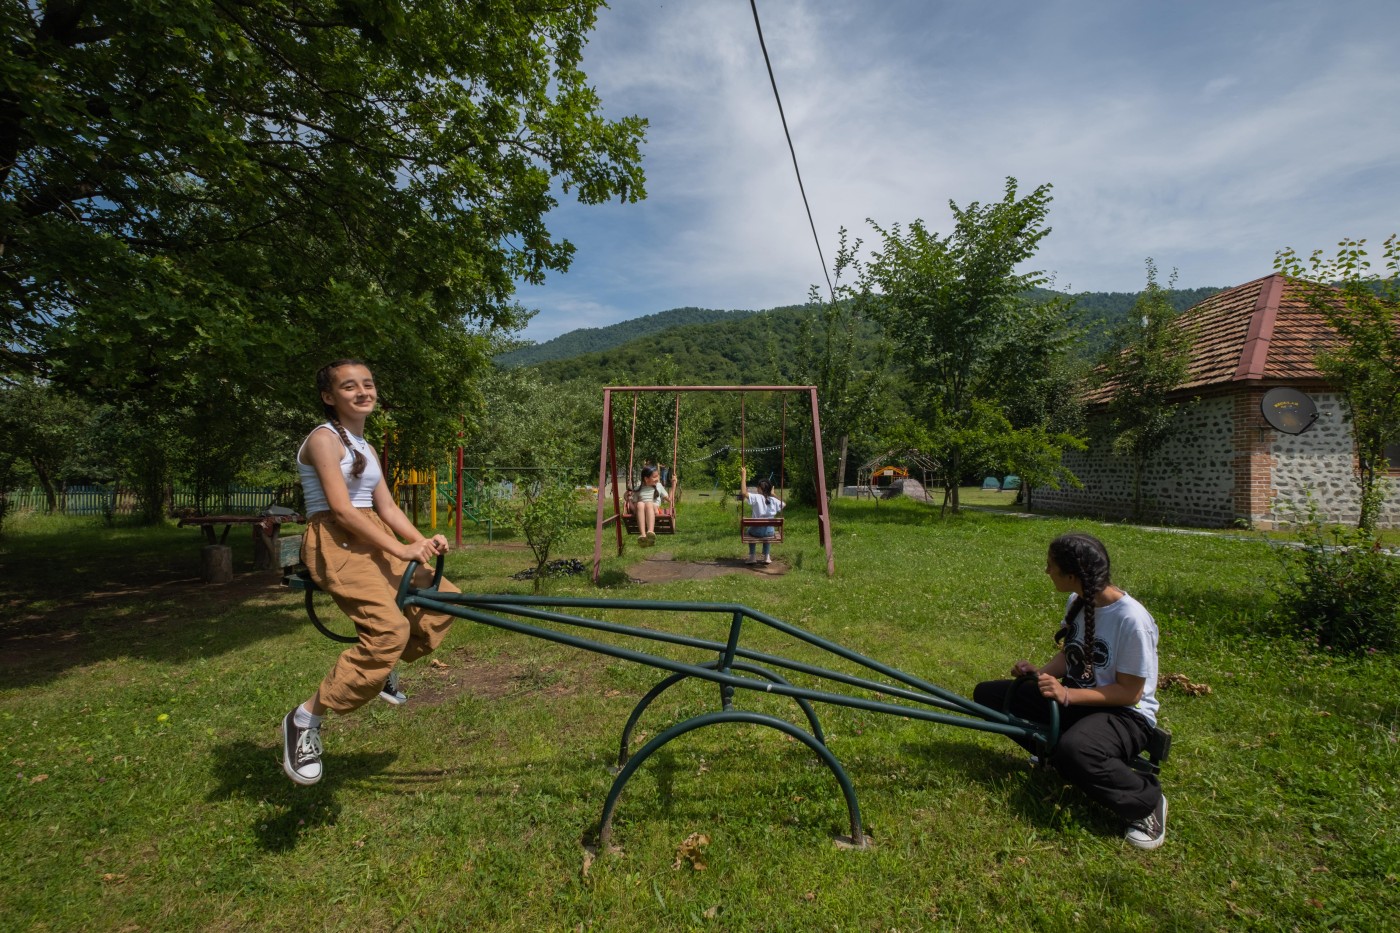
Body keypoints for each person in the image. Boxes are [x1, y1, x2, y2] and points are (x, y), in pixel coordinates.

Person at [280, 359, 461, 786]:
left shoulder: (366, 446)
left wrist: (422, 544)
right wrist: (399, 548)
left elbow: (388, 507)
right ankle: (305, 720)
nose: (363, 392)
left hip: (371, 532)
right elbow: (342, 509)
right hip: (337, 539)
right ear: (329, 397)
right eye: (349, 387)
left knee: (444, 599)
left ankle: (380, 670)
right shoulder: (324, 440)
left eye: (368, 384)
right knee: (388, 632)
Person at [972, 532, 1167, 850]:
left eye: (1051, 566)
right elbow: (1070, 654)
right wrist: (1040, 674)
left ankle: (1146, 802)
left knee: (1076, 750)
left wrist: (1066, 695)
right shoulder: (1077, 601)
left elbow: (1131, 693)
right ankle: (1053, 757)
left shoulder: (1132, 620)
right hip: (1080, 699)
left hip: (1124, 715)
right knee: (990, 697)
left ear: (1073, 574)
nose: (1047, 571)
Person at [740, 466, 784, 565]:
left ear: (760, 488)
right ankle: (767, 556)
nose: (756, 488)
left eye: (757, 487)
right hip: (769, 532)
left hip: (755, 532)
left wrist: (743, 476)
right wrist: (773, 495)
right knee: (768, 531)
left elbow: (743, 492)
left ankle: (752, 557)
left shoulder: (756, 497)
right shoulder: (773, 500)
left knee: (749, 531)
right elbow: (783, 504)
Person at [633, 464, 668, 546]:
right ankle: (643, 535)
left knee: (649, 504)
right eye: (654, 477)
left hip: (654, 510)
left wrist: (673, 486)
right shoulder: (638, 489)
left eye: (658, 476)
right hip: (641, 511)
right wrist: (627, 496)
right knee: (640, 504)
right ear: (646, 479)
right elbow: (634, 503)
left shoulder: (658, 486)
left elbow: (669, 499)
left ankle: (650, 532)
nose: (657, 479)